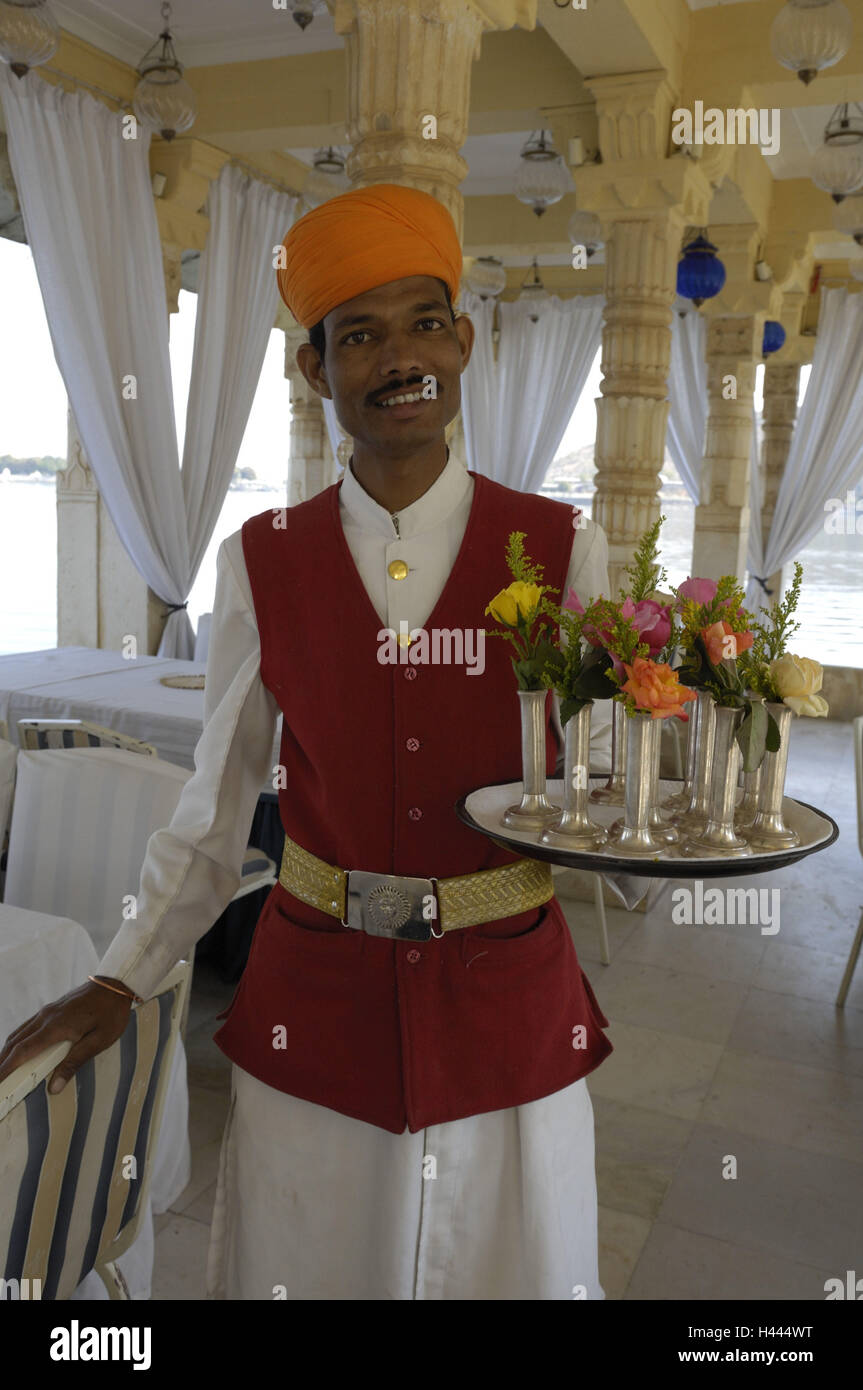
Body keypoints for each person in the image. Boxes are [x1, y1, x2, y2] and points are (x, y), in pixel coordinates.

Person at [0, 183, 614, 1300]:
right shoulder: (262, 560)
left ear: (463, 342)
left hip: (506, 1000)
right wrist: (120, 976)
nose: (398, 359)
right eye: (358, 335)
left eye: (423, 322)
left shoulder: (562, 545)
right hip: (315, 999)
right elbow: (216, 804)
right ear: (312, 369)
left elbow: (606, 782)